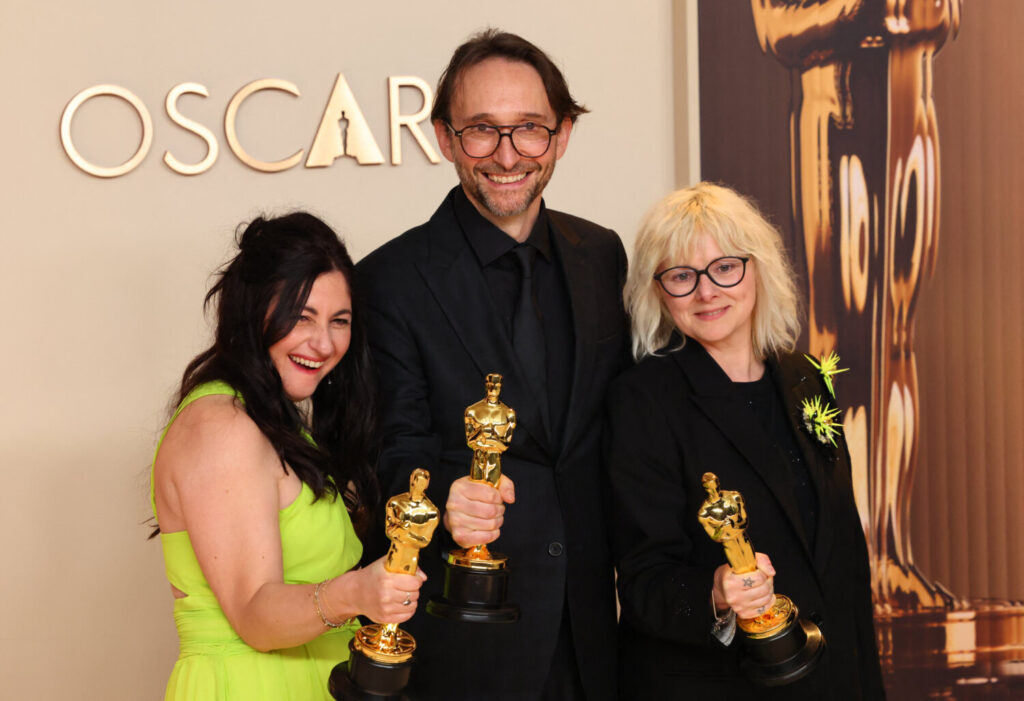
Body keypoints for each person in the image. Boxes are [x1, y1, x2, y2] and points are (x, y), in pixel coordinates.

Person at [357, 29, 628, 700]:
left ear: (562, 134)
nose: (507, 155)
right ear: (445, 138)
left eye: (529, 129)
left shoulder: (603, 255)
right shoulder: (388, 279)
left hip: (598, 636)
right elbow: (386, 449)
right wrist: (441, 495)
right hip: (469, 642)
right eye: (481, 130)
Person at [605, 183, 884, 699]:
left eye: (725, 267)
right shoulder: (642, 399)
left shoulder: (806, 377)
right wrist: (714, 592)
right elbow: (644, 580)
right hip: (714, 684)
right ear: (658, 291)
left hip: (827, 677)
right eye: (682, 276)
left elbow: (843, 555)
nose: (707, 292)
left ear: (758, 269)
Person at [149, 213, 426, 701]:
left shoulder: (279, 424)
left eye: (339, 321)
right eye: (302, 317)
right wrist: (358, 592)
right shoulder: (223, 426)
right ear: (253, 312)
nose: (323, 343)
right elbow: (255, 615)